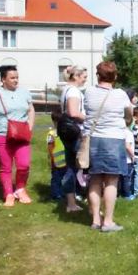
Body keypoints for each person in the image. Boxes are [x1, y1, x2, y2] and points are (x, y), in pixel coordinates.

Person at [83, 61, 131, 232]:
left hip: (93, 139)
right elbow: (129, 114)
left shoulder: (88, 92)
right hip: (113, 139)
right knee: (111, 180)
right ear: (115, 76)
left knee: (95, 179)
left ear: (98, 75)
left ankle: (95, 219)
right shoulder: (121, 95)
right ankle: (108, 221)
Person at [0, 65, 36, 207]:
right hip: (1, 134)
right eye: (12, 78)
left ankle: (20, 189)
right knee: (6, 167)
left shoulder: (24, 93)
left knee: (24, 165)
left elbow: (31, 110)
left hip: (22, 135)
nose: (16, 80)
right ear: (3, 79)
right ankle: (8, 193)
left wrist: (30, 126)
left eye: (17, 77)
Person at [59, 65, 88, 212]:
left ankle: (71, 203)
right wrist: (88, 118)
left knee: (71, 167)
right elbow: (73, 112)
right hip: (76, 132)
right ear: (75, 76)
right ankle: (91, 202)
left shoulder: (66, 90)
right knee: (87, 166)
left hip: (67, 132)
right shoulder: (74, 91)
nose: (85, 80)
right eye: (84, 77)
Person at [46, 126, 65, 200]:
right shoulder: (52, 134)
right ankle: (56, 194)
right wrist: (51, 158)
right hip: (56, 161)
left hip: (64, 160)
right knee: (56, 178)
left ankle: (62, 193)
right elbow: (50, 147)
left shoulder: (64, 131)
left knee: (63, 178)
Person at [120, 110, 136, 200]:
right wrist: (132, 155)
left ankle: (119, 192)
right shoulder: (128, 133)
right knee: (127, 177)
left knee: (120, 178)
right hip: (127, 159)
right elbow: (127, 146)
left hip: (120, 158)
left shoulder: (119, 132)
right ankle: (127, 194)